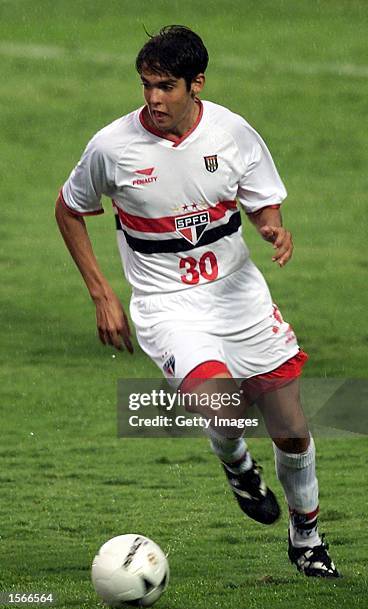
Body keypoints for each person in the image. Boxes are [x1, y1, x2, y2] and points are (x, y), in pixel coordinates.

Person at [55, 25, 339, 578]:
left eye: (165, 87)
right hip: (168, 305)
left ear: (196, 84)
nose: (153, 99)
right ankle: (236, 461)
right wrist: (102, 293)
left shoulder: (234, 134)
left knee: (291, 428)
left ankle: (306, 538)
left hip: (238, 296)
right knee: (219, 404)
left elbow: (261, 203)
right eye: (146, 86)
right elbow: (68, 210)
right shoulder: (111, 147)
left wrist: (272, 228)